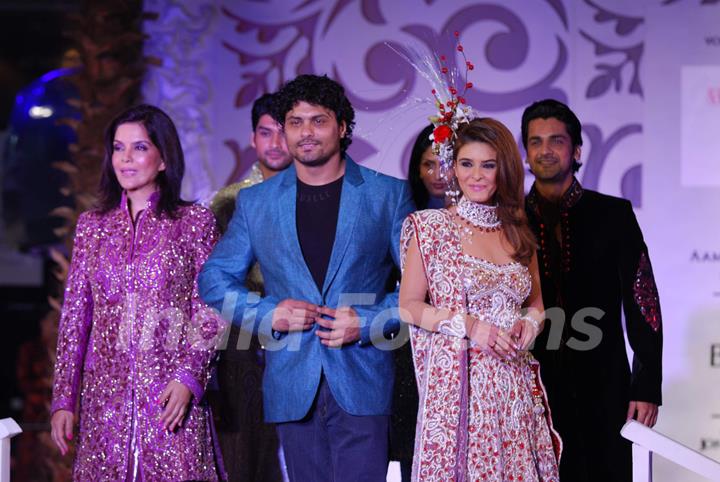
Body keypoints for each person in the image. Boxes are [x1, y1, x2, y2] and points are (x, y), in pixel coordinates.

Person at [199, 73, 414, 482]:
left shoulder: (387, 195)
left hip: (363, 380)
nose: (306, 132)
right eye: (295, 122)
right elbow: (214, 279)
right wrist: (267, 314)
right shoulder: (256, 202)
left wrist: (368, 322)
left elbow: (421, 288)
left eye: (318, 120)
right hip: (291, 383)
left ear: (343, 127)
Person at [50, 104, 226, 481]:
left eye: (140, 147)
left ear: (163, 158)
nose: (126, 159)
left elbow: (212, 307)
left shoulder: (193, 223)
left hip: (171, 398)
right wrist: (64, 398)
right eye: (118, 148)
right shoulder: (92, 227)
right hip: (105, 402)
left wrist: (188, 378)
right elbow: (75, 317)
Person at [399, 117, 561, 481]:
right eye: (466, 164)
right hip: (463, 389)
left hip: (514, 384)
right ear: (453, 168)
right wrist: (472, 327)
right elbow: (408, 306)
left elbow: (537, 304)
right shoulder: (431, 227)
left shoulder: (518, 230)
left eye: (488, 165)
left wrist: (531, 325)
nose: (476, 175)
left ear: (503, 170)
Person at [522, 98, 663, 482]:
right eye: (535, 142)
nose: (545, 150)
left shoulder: (612, 215)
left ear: (577, 150)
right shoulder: (511, 220)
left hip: (604, 384)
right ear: (525, 152)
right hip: (531, 386)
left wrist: (646, 385)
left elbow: (643, 301)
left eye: (556, 141)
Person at [208, 92, 291, 482]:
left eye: (283, 132)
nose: (275, 143)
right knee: (246, 458)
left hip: (304, 339)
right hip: (242, 346)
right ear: (253, 139)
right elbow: (215, 282)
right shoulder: (228, 202)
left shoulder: (320, 196)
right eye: (265, 133)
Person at [390, 123, 448, 482]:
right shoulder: (403, 219)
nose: (438, 174)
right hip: (409, 348)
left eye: (446, 162)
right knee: (418, 450)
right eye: (429, 165)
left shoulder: (490, 222)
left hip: (466, 347)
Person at [407, 123, 447, 210]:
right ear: (418, 168)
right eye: (428, 165)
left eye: (447, 165)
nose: (438, 175)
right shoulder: (403, 210)